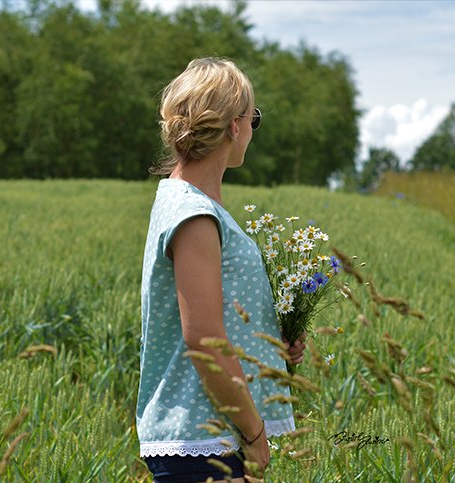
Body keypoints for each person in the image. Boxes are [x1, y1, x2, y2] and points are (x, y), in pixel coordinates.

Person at [136, 57, 308, 482]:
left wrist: (270, 344)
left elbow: (215, 319)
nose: (252, 130)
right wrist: (254, 434)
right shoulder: (193, 214)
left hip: (210, 438)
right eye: (254, 119)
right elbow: (205, 342)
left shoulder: (194, 205)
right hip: (201, 443)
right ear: (234, 125)